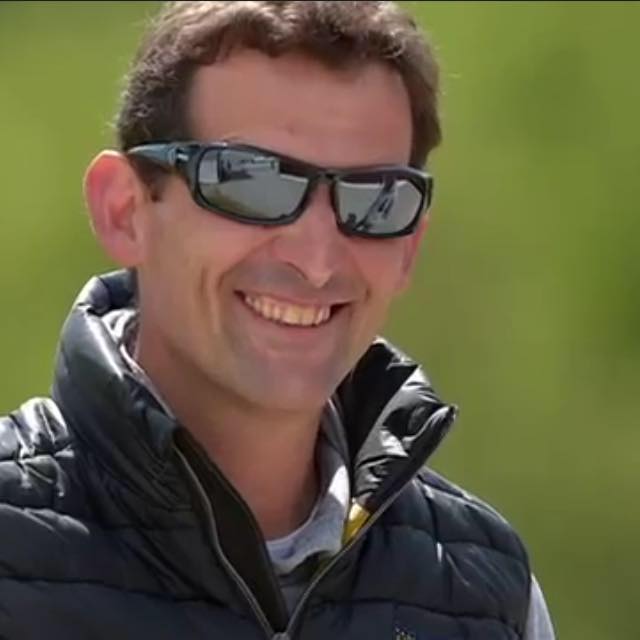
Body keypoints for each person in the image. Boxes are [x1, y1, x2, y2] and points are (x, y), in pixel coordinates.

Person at [0, 2, 555, 639]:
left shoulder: (487, 595)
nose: (316, 261)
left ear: (410, 247)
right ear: (125, 210)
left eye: (374, 198)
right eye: (250, 181)